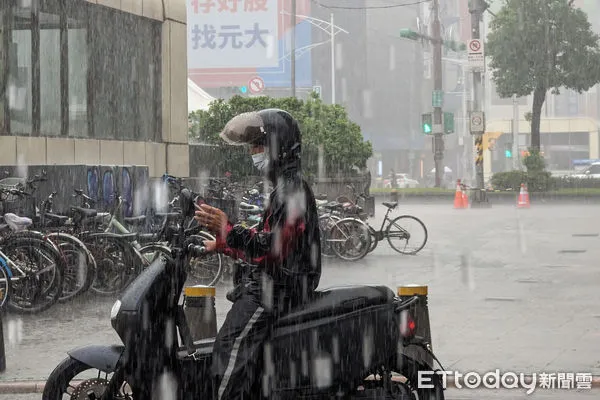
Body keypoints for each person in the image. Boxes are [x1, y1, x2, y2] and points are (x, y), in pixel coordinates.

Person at [194, 108, 322, 399]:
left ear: (278, 146)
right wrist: (222, 244)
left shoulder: (291, 190)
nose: (253, 153)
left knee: (228, 348)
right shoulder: (283, 188)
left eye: (258, 145)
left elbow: (273, 247)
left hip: (278, 287)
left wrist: (229, 229)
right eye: (251, 147)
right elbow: (262, 246)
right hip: (273, 282)